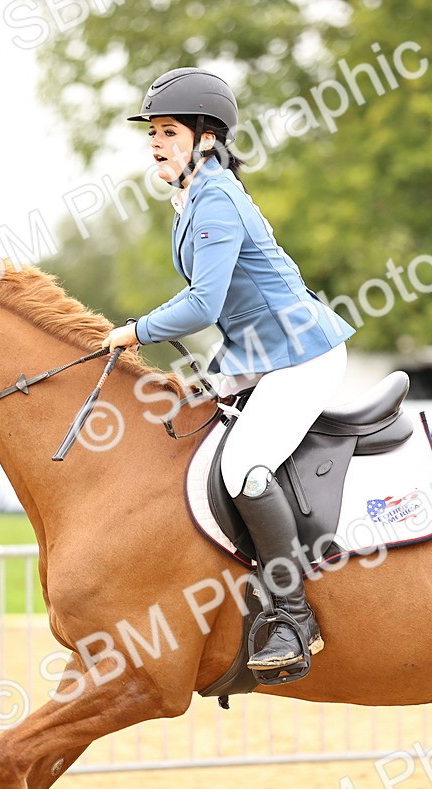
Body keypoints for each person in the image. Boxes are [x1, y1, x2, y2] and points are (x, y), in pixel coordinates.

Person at [102, 67, 356, 672]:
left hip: (303, 356)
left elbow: (204, 305)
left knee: (244, 467)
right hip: (263, 355)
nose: (157, 143)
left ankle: (294, 619)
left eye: (168, 132)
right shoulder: (193, 196)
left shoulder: (214, 198)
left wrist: (132, 331)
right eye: (153, 134)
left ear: (207, 137)